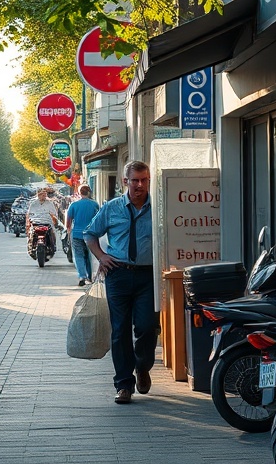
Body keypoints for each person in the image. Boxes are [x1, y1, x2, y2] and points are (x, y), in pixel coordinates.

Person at [84, 161, 158, 405]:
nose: (140, 185)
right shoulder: (112, 208)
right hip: (118, 274)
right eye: (135, 180)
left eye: (144, 180)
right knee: (120, 330)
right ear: (125, 181)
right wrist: (101, 256)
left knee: (147, 327)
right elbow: (90, 234)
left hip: (148, 275)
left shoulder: (158, 206)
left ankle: (142, 366)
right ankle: (124, 384)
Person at [66, 184, 100, 285]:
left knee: (78, 256)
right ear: (89, 192)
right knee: (89, 255)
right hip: (90, 234)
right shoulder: (94, 204)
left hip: (77, 234)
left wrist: (68, 230)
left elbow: (68, 221)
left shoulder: (74, 205)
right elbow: (98, 219)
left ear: (79, 193)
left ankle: (82, 276)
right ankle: (90, 276)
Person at [26, 187, 59, 253]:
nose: (44, 196)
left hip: (47, 222)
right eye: (42, 194)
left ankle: (53, 246)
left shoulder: (50, 203)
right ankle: (30, 246)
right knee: (30, 233)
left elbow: (54, 214)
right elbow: (29, 215)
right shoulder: (33, 204)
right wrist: (28, 225)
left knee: (52, 232)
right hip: (35, 222)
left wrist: (55, 222)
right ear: (38, 195)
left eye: (45, 194)